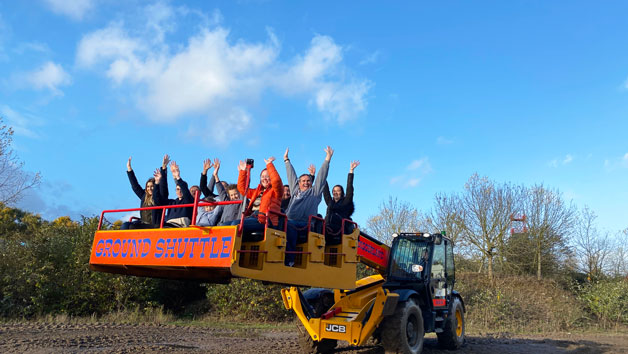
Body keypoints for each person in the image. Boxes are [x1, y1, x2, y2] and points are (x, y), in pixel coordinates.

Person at [284, 146, 334, 265]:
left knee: (289, 226)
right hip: (289, 221)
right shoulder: (295, 190)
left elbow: (322, 177)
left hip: (305, 224)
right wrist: (286, 160)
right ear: (299, 183)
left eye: (308, 181)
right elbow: (291, 175)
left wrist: (327, 159)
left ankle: (290, 260)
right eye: (303, 181)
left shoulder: (314, 193)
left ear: (311, 183)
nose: (306, 183)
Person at [233, 157, 283, 231]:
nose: (264, 179)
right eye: (262, 177)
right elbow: (242, 189)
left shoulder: (276, 191)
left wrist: (269, 165)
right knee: (224, 225)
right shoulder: (257, 191)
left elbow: (276, 180)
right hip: (252, 217)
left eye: (267, 176)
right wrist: (243, 171)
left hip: (265, 221)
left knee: (235, 224)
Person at [121, 155, 168, 229]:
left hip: (155, 225)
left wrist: (164, 169)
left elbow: (163, 187)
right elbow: (135, 186)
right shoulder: (144, 196)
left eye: (152, 186)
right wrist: (129, 170)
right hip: (144, 224)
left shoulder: (160, 197)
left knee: (133, 227)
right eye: (148, 186)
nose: (150, 188)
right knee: (126, 225)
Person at [322, 160, 359, 235]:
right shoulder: (330, 203)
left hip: (341, 228)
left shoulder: (346, 202)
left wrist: (351, 171)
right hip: (328, 226)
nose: (335, 192)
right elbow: (325, 191)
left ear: (342, 192)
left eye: (338, 191)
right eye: (334, 191)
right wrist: (322, 175)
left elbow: (349, 189)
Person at [153, 160, 194, 227]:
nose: (179, 191)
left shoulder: (188, 201)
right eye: (177, 189)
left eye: (181, 189)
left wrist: (178, 177)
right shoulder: (171, 202)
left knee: (159, 226)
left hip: (180, 226)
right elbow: (157, 200)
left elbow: (186, 193)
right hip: (168, 225)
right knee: (133, 226)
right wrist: (157, 183)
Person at [212, 159, 245, 225]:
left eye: (235, 194)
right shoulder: (227, 202)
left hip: (233, 225)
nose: (234, 196)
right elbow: (221, 191)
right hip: (222, 225)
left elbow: (243, 188)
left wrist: (242, 173)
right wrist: (215, 175)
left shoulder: (241, 202)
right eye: (231, 195)